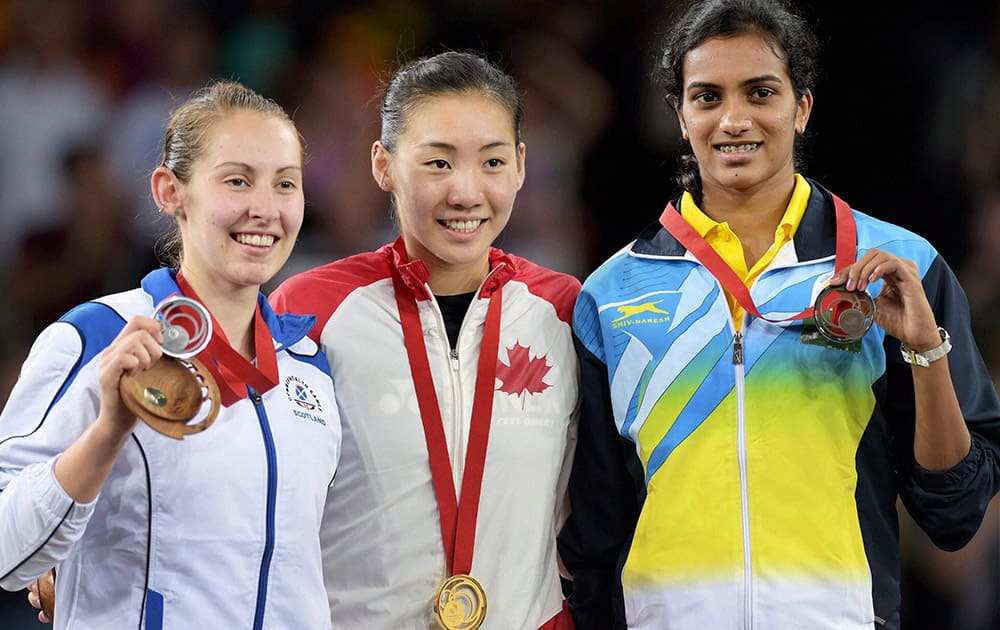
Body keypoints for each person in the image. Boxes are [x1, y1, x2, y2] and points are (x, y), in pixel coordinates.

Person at [556, 1, 1000, 629]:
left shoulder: (900, 266)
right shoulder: (614, 293)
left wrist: (927, 352)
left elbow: (957, 511)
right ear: (681, 117)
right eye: (707, 97)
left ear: (802, 107)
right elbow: (597, 536)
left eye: (760, 92)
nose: (734, 119)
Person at [0, 80, 341, 629]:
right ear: (170, 192)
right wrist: (106, 433)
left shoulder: (308, 365)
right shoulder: (96, 337)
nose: (265, 209)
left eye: (286, 184)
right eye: (237, 181)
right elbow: (6, 551)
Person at [270, 50, 580, 629]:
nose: (465, 193)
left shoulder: (561, 312)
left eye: (491, 162)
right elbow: (251, 488)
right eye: (437, 163)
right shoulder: (311, 309)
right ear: (383, 165)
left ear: (520, 165)